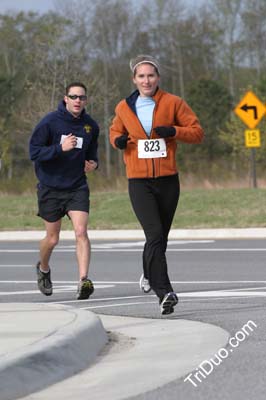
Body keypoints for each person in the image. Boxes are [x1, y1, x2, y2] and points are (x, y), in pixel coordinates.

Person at [109, 55, 204, 315]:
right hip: (139, 182)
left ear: (158, 78)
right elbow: (114, 132)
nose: (146, 80)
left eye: (151, 75)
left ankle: (148, 272)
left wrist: (173, 131)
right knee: (154, 235)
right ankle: (165, 293)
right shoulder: (124, 107)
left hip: (168, 181)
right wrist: (118, 142)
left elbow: (197, 132)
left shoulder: (173, 102)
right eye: (141, 76)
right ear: (134, 80)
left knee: (160, 238)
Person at [29, 82, 99, 300]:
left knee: (81, 231)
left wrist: (93, 164)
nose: (78, 100)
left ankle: (83, 280)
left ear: (86, 100)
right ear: (65, 98)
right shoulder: (50, 122)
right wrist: (60, 148)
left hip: (77, 185)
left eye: (82, 97)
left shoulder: (90, 126)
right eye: (73, 96)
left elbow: (93, 153)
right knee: (52, 239)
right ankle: (43, 268)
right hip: (50, 187)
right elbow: (34, 152)